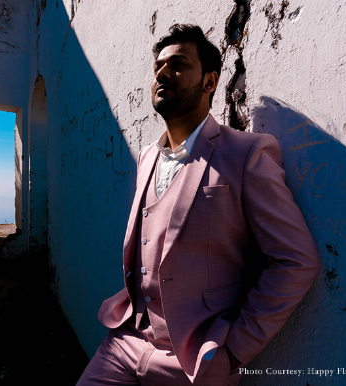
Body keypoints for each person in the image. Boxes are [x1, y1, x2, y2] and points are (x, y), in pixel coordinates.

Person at [76, 24, 321, 386]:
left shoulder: (246, 153)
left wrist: (235, 352)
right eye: (158, 66)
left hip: (194, 361)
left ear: (210, 82)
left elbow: (296, 259)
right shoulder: (147, 157)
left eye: (177, 64)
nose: (162, 73)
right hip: (125, 341)